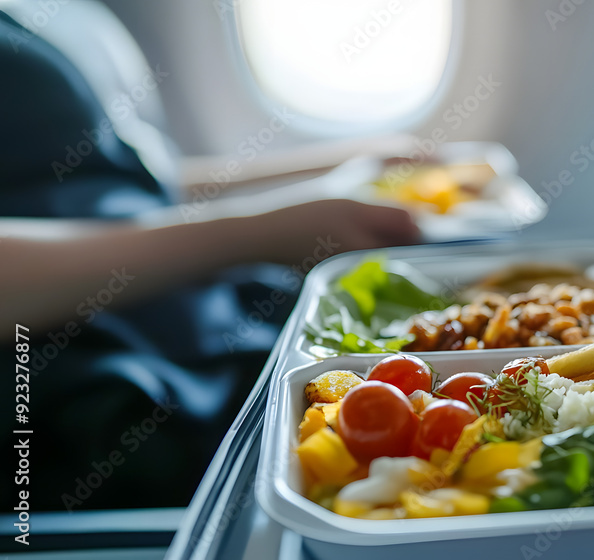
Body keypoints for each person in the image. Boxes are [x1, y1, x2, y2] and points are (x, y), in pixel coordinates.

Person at [0, 10, 420, 510]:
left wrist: (344, 166)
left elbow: (132, 184)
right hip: (97, 370)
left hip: (187, 305)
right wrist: (260, 233)